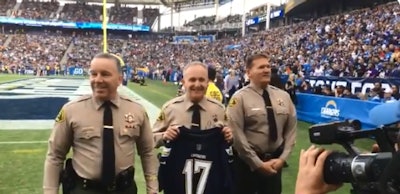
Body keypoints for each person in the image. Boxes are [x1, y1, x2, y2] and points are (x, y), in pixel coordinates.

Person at [43, 53, 159, 194]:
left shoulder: (136, 110)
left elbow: (147, 152)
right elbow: (55, 155)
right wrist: (50, 191)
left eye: (105, 74)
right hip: (84, 189)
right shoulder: (71, 110)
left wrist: (152, 188)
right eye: (93, 74)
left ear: (119, 79)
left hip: (124, 189)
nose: (98, 80)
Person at [153, 61, 234, 194]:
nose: (197, 84)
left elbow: (230, 140)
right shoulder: (170, 109)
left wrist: (230, 137)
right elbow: (150, 139)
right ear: (183, 82)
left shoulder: (219, 109)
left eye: (202, 80)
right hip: (178, 178)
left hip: (210, 180)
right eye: (192, 80)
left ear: (208, 82)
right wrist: (164, 136)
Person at [226, 53, 297, 194]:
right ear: (248, 72)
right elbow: (236, 135)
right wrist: (257, 164)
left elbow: (291, 130)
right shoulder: (239, 98)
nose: (266, 70)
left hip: (275, 165)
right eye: (261, 67)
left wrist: (282, 159)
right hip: (247, 167)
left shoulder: (283, 96)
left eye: (268, 66)